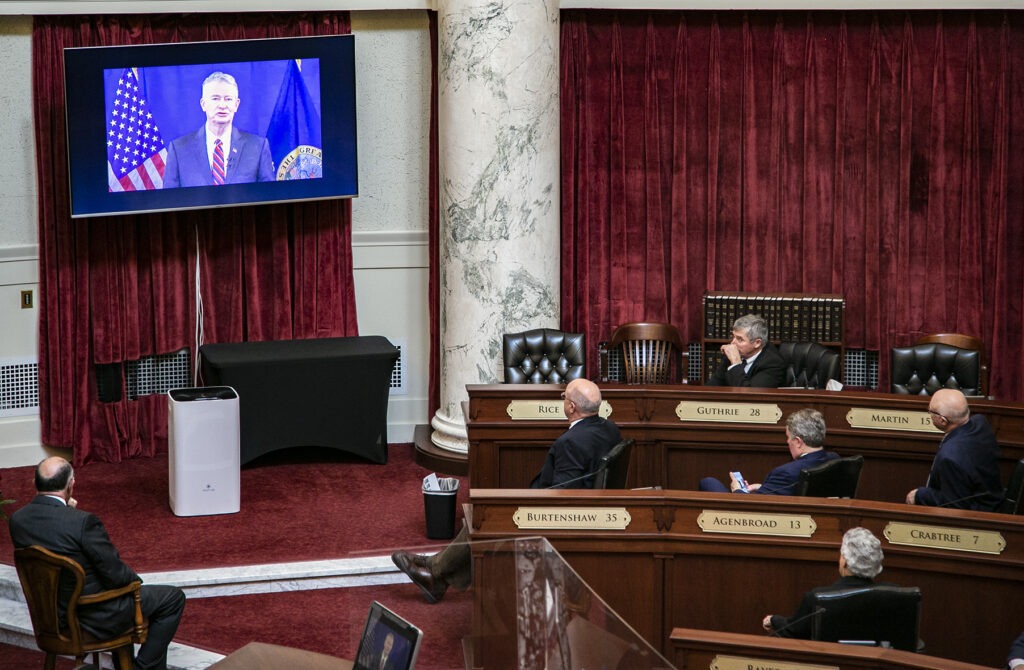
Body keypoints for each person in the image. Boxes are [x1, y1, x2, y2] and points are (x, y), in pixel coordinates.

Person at [391, 378, 621, 603]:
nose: (562, 401)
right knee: (487, 514)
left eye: (564, 397)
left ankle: (436, 573)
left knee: (485, 516)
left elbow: (561, 496)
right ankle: (436, 573)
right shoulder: (610, 429)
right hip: (591, 510)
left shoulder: (571, 442)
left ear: (571, 407)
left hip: (557, 517)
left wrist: (522, 504)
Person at [8, 457, 186, 670]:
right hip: (93, 617)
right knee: (172, 599)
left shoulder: (18, 521)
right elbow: (116, 574)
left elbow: (55, 534)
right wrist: (134, 584)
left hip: (52, 618)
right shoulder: (82, 522)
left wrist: (69, 512)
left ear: (34, 483)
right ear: (71, 484)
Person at [762, 527, 886, 638]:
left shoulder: (818, 599)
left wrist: (774, 620)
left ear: (845, 562)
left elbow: (794, 631)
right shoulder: (891, 596)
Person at [163, 71, 275, 188]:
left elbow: (268, 195)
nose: (222, 105)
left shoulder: (258, 147)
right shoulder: (179, 149)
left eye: (228, 99)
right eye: (215, 98)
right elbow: (171, 199)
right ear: (203, 104)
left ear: (236, 105)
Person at [904, 388, 1003, 511]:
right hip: (992, 498)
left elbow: (954, 504)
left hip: (980, 516)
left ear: (942, 420)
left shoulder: (950, 458)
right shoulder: (980, 422)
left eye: (930, 411)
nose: (929, 414)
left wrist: (920, 495)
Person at [700, 408, 838, 495]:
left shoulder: (786, 473)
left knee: (708, 482)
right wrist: (764, 487)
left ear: (798, 442)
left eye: (788, 438)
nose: (787, 442)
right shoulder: (834, 460)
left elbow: (752, 508)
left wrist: (738, 490)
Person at [706, 314, 786, 387]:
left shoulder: (773, 363)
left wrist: (735, 363)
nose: (733, 343)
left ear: (757, 343)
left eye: (740, 339)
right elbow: (712, 387)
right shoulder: (735, 353)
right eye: (733, 337)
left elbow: (750, 396)